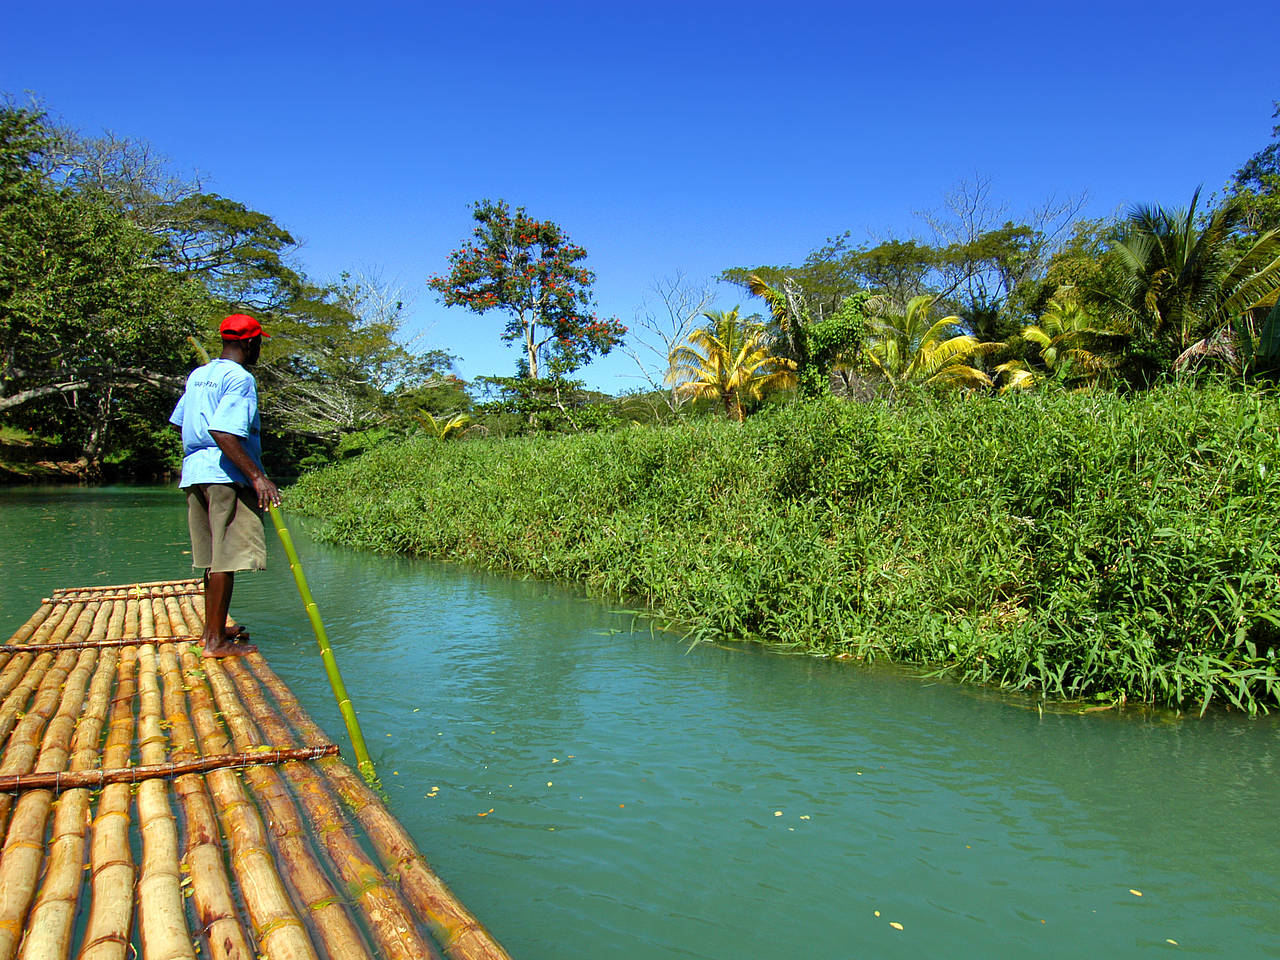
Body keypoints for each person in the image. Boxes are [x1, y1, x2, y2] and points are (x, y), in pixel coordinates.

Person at [170, 313, 281, 657]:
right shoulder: (241, 378)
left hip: (196, 473)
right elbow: (222, 431)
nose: (259, 349)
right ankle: (216, 643)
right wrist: (257, 476)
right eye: (259, 344)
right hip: (224, 476)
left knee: (212, 558)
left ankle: (211, 631)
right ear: (250, 343)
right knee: (226, 559)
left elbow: (180, 423)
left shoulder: (199, 375)